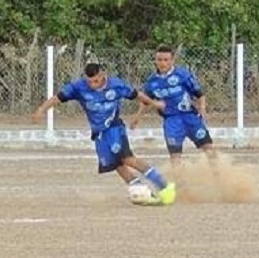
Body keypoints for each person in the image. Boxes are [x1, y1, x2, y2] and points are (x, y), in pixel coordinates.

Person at [32, 62, 177, 205]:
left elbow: (136, 94)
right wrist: (41, 110)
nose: (92, 85)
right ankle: (142, 192)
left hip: (114, 128)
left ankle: (164, 186)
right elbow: (57, 98)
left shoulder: (116, 85)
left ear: (102, 75)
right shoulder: (78, 87)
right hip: (99, 133)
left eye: (95, 81)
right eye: (89, 81)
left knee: (128, 159)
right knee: (116, 164)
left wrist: (154, 103)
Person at [131, 45, 217, 163]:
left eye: (166, 60)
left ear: (172, 61)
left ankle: (219, 171)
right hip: (171, 121)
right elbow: (146, 101)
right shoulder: (151, 81)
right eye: (159, 60)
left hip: (190, 117)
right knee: (175, 156)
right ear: (155, 61)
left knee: (208, 148)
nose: (162, 63)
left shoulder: (183, 75)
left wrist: (202, 108)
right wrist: (137, 117)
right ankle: (178, 175)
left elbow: (200, 94)